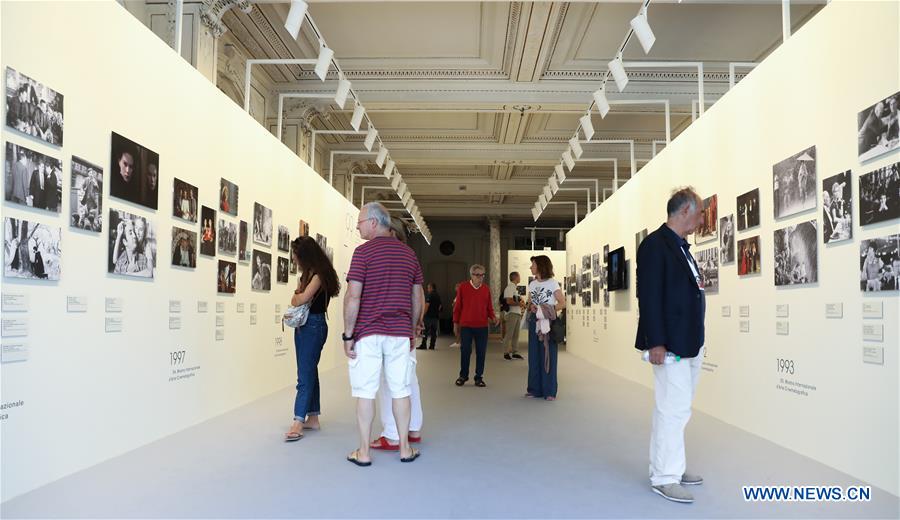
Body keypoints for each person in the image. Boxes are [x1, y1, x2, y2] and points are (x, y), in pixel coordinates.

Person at [635, 187, 707, 504]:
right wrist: (656, 343)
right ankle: (664, 477)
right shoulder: (655, 245)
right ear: (684, 211)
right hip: (670, 344)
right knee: (671, 409)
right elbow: (648, 297)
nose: (702, 218)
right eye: (700, 212)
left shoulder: (680, 247)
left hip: (689, 340)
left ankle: (672, 469)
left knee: (679, 410)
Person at [342, 202, 423, 466]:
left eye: (360, 221)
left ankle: (364, 452)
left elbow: (353, 296)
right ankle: (404, 448)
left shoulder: (362, 253)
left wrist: (348, 334)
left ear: (374, 222)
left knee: (365, 391)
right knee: (401, 390)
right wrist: (411, 330)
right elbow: (416, 298)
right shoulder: (409, 255)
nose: (357, 226)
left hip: (367, 333)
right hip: (399, 334)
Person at [371, 217, 425, 451]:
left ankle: (392, 433)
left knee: (388, 381)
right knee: (408, 378)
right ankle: (413, 428)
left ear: (390, 231)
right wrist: (416, 323)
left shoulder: (387, 258)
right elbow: (419, 294)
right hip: (406, 329)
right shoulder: (409, 256)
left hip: (389, 329)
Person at [284, 236, 341, 442]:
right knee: (310, 371)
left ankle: (298, 421)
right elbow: (299, 295)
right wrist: (298, 294)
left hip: (312, 326)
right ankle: (313, 417)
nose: (295, 258)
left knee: (304, 375)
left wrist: (297, 295)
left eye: (297, 255)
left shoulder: (317, 275)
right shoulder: (310, 274)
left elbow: (300, 298)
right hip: (307, 325)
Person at [525, 256, 564, 400]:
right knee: (533, 355)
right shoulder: (532, 284)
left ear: (540, 266)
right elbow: (529, 303)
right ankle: (534, 389)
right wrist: (532, 307)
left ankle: (549, 391)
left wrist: (546, 309)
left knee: (549, 355)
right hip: (534, 321)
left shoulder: (553, 284)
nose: (531, 267)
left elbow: (562, 303)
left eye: (533, 265)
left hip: (548, 322)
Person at [453, 264, 498, 387]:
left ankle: (479, 377)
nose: (480, 278)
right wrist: (455, 323)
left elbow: (489, 307)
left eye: (482, 275)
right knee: (465, 351)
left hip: (482, 326)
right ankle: (463, 376)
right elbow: (458, 307)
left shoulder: (486, 289)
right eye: (478, 275)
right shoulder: (463, 287)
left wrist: (493, 317)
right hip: (466, 325)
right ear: (471, 275)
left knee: (481, 352)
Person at [501, 272, 525, 360]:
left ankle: (515, 351)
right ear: (516, 277)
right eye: (519, 276)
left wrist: (520, 304)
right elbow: (508, 301)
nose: (520, 278)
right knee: (509, 334)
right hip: (512, 313)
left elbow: (515, 300)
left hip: (516, 313)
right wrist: (520, 304)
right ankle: (506, 352)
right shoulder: (510, 287)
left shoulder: (515, 288)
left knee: (516, 334)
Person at [418, 283, 441, 350]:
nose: (427, 289)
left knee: (425, 331)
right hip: (435, 316)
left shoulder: (430, 295)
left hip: (428, 316)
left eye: (428, 288)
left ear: (431, 288)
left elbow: (427, 305)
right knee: (434, 332)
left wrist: (423, 314)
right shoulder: (438, 295)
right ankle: (432, 346)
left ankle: (423, 345)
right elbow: (440, 306)